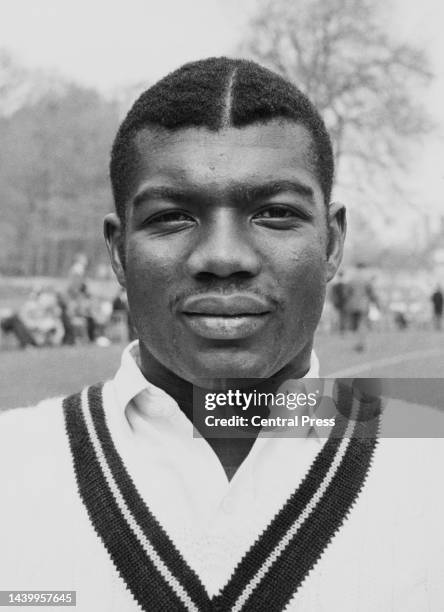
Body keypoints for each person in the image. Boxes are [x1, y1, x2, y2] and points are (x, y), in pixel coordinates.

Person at [0, 58, 443, 612]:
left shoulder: (431, 446)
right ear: (118, 251)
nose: (224, 257)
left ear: (331, 243)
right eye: (173, 217)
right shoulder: (13, 460)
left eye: (275, 213)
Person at [347, 262, 379, 351]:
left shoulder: (351, 279)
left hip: (352, 305)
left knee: (354, 326)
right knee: (363, 324)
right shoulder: (366, 279)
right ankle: (362, 344)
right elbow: (372, 293)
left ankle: (356, 343)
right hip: (363, 304)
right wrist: (376, 303)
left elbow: (347, 293)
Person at [330, 269, 350, 333]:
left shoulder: (335, 284)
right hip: (343, 303)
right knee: (343, 317)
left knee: (337, 317)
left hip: (338, 303)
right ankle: (342, 330)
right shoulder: (345, 284)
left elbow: (333, 295)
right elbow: (346, 294)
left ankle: (338, 329)